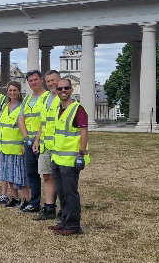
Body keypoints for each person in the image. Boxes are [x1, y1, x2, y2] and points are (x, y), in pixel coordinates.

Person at [49, 78, 89, 236]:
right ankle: (65, 220)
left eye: (66, 88)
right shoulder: (58, 108)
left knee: (70, 192)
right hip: (57, 158)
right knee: (61, 192)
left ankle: (73, 224)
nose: (63, 91)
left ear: (71, 90)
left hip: (71, 159)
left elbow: (84, 132)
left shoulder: (77, 109)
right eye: (60, 89)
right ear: (56, 91)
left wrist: (81, 154)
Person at [0, 81, 30, 208]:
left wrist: (24, 144)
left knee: (21, 174)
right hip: (4, 146)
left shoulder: (23, 107)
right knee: (8, 174)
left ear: (19, 91)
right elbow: (0, 125)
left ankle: (27, 199)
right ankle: (15, 198)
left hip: (17, 146)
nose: (12, 93)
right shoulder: (5, 107)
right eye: (10, 90)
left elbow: (25, 126)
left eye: (15, 90)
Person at [20, 70, 51, 213]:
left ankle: (50, 203)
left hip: (42, 140)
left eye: (35, 80)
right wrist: (26, 138)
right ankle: (35, 202)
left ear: (41, 79)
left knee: (47, 174)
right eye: (30, 81)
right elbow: (21, 120)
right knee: (31, 173)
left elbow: (45, 121)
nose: (33, 83)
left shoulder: (47, 97)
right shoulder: (26, 99)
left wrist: (36, 139)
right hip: (28, 140)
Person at [33, 70, 61, 220]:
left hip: (59, 145)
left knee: (61, 178)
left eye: (53, 80)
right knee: (47, 177)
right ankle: (49, 208)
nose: (51, 84)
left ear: (59, 80)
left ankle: (64, 209)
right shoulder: (45, 99)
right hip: (45, 145)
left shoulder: (65, 98)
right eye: (48, 81)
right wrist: (37, 140)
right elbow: (43, 124)